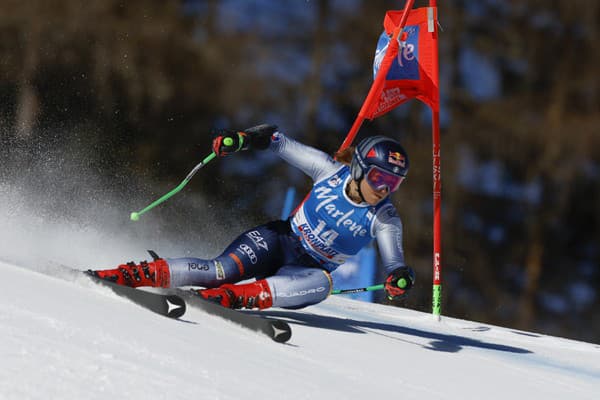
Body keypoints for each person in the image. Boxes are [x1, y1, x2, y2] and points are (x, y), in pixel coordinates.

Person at [91, 124, 415, 310]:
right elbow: (276, 140)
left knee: (323, 284)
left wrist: (399, 278)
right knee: (220, 270)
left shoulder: (384, 218)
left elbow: (395, 262)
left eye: (393, 183)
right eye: (378, 178)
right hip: (279, 239)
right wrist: (242, 139)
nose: (384, 189)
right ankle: (134, 274)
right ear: (359, 168)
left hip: (307, 271)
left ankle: (235, 298)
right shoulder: (328, 171)